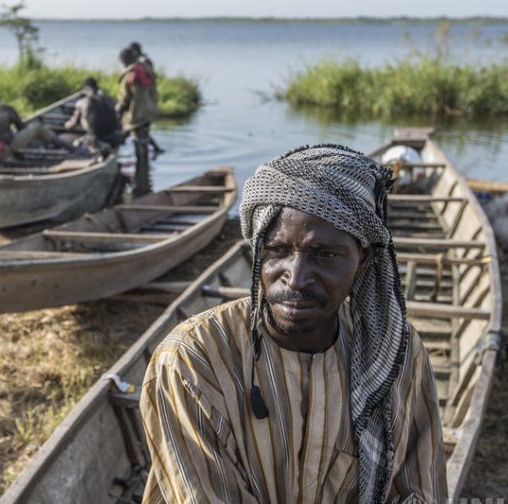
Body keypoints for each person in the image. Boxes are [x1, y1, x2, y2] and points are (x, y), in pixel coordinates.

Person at [140, 145, 447, 503]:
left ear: (362, 258)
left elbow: (420, 490)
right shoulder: (193, 359)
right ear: (257, 250)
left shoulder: (397, 353)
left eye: (324, 255)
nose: (296, 278)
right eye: (277, 250)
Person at [0, 91, 74, 164]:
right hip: (0, 151)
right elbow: (21, 129)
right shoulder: (6, 109)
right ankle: (70, 148)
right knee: (36, 127)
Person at [116, 47, 159, 195]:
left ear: (124, 61)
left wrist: (117, 113)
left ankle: (140, 185)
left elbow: (124, 99)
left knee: (138, 144)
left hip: (136, 115)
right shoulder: (147, 69)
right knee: (144, 141)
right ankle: (145, 177)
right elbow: (154, 91)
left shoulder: (129, 75)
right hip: (149, 111)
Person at [64, 77, 121, 154]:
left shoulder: (81, 103)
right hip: (113, 137)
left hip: (95, 139)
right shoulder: (109, 99)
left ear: (85, 89)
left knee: (71, 141)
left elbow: (72, 124)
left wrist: (65, 125)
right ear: (97, 88)